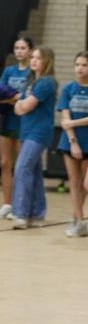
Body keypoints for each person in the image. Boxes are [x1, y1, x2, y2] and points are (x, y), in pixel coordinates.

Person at [11, 48, 57, 229]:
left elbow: (26, 106)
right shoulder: (31, 81)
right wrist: (21, 104)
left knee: (22, 169)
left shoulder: (46, 82)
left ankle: (21, 214)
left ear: (47, 61)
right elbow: (18, 108)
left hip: (38, 133)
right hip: (27, 131)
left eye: (38, 58)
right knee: (34, 172)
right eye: (33, 57)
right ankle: (37, 214)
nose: (34, 61)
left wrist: (22, 104)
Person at [0, 36, 32, 220]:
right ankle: (7, 204)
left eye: (23, 48)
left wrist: (15, 97)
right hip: (7, 120)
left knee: (22, 166)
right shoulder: (9, 71)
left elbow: (30, 97)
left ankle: (21, 204)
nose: (19, 51)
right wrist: (16, 96)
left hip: (24, 122)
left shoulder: (33, 72)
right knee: (5, 163)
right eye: (16, 48)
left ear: (30, 50)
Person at [58, 51, 88, 237]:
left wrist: (73, 124)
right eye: (77, 64)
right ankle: (79, 219)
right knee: (74, 181)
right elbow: (65, 117)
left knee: (84, 184)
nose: (80, 68)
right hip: (70, 141)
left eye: (84, 65)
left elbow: (71, 121)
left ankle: (78, 217)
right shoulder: (68, 89)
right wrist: (73, 141)